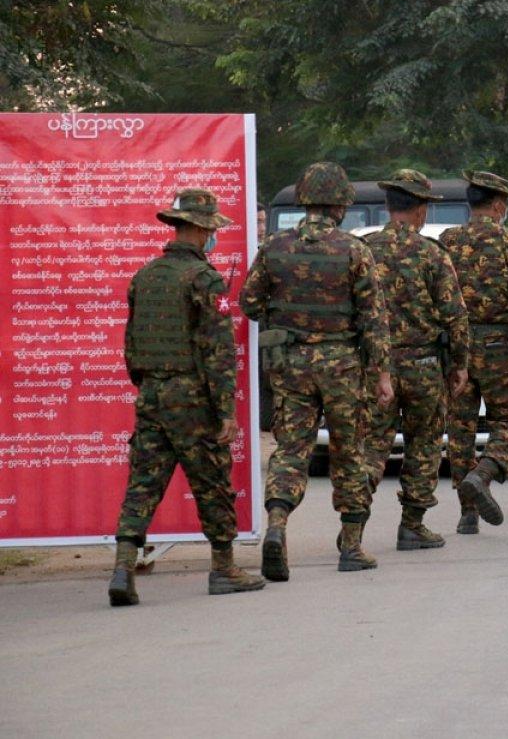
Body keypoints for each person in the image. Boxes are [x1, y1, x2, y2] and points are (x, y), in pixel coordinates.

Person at [109, 189, 267, 606]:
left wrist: (149, 385)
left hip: (152, 395)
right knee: (212, 483)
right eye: (212, 229)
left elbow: (130, 344)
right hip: (193, 399)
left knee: (143, 484)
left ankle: (123, 567)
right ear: (199, 229)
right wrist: (226, 411)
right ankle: (224, 568)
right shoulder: (205, 279)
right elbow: (218, 352)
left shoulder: (145, 276)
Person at [240, 162, 393, 580]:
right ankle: (352, 546)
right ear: (341, 205)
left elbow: (249, 303)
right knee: (350, 453)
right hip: (343, 367)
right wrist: (381, 374)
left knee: (291, 449)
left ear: (304, 201)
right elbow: (374, 319)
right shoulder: (354, 250)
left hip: (290, 365)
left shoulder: (274, 247)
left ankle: (277, 526)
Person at [363, 170, 471, 549]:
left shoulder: (364, 250)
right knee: (424, 444)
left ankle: (352, 528)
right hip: (424, 365)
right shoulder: (432, 254)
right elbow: (455, 315)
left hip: (376, 368)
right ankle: (412, 525)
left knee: (372, 446)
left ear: (387, 206)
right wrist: (460, 364)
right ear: (421, 210)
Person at [441, 171, 508, 532]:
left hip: (456, 346)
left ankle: (467, 513)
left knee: (460, 429)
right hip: (498, 346)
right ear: (499, 205)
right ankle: (485, 473)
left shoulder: (448, 240)